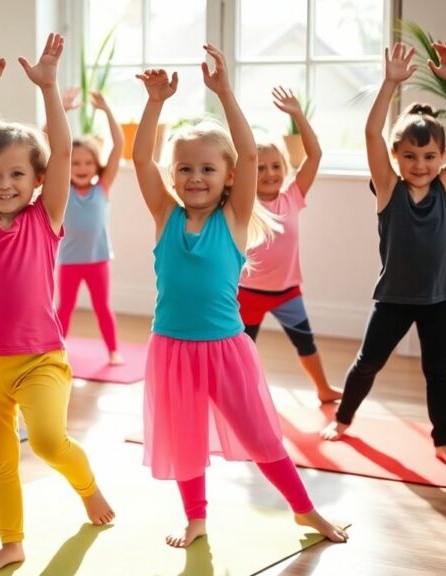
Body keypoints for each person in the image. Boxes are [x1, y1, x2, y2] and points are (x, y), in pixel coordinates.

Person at [131, 45, 347, 549]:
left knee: (261, 437)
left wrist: (225, 93)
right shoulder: (165, 217)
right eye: (185, 168)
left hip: (226, 349)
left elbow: (249, 154)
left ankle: (304, 509)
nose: (195, 177)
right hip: (171, 349)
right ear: (173, 175)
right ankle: (196, 519)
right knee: (185, 442)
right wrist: (155, 103)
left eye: (207, 169)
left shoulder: (232, 221)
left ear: (227, 176)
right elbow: (140, 158)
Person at [0, 33, 114, 573]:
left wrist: (46, 90)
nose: (3, 183)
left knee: (46, 441)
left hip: (40, 357)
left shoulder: (47, 219)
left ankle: (86, 485)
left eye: (17, 174)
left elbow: (64, 151)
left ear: (38, 181)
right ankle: (12, 541)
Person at [321, 42, 446, 468]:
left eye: (429, 156)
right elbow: (372, 133)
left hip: (440, 297)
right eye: (409, 156)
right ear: (396, 157)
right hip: (393, 297)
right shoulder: (389, 191)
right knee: (368, 362)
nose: (420, 164)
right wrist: (390, 82)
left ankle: (443, 442)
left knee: (437, 371)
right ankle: (343, 417)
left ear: (442, 157)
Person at [238, 87, 342, 403]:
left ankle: (323, 389)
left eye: (275, 166)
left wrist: (298, 115)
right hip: (247, 293)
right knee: (242, 349)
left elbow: (315, 155)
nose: (269, 173)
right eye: (260, 167)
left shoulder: (292, 197)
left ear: (285, 169)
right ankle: (241, 394)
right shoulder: (244, 203)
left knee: (305, 342)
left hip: (286, 293)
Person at [56, 90, 125, 365]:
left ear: (97, 165)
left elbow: (119, 145)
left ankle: (112, 350)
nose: (82, 167)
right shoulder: (62, 189)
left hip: (98, 261)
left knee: (102, 307)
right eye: (75, 162)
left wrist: (107, 110)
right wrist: (59, 109)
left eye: (87, 162)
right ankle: (56, 351)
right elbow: (50, 147)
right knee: (65, 309)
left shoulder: (102, 187)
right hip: (70, 261)